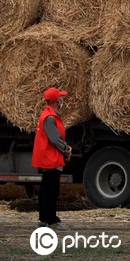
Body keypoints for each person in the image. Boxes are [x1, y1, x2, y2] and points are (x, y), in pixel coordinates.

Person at [32, 87, 71, 230]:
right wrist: (66, 149)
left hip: (47, 158)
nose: (62, 100)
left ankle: (43, 219)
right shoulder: (49, 117)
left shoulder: (48, 114)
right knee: (51, 191)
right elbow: (55, 139)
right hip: (50, 159)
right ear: (55, 101)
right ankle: (52, 220)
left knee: (45, 190)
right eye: (60, 98)